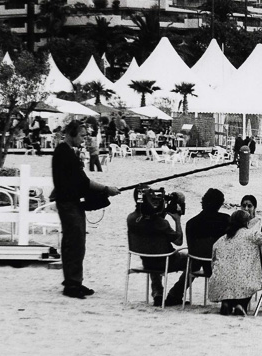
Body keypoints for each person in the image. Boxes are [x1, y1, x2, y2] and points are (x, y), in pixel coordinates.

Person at [51, 120, 121, 299]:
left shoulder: (66, 152)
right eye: (81, 136)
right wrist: (106, 189)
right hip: (68, 204)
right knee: (74, 243)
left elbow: (81, 181)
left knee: (76, 243)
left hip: (72, 202)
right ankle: (72, 285)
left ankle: (74, 282)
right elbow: (83, 182)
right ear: (71, 134)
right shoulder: (64, 153)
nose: (83, 140)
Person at [209, 210, 262, 316]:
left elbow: (213, 261)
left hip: (220, 282)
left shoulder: (221, 240)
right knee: (247, 281)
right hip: (242, 281)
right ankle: (241, 305)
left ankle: (226, 303)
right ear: (247, 223)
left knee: (230, 283)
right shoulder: (251, 235)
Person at [127, 188, 188, 306]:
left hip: (147, 260)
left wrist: (160, 213)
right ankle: (175, 294)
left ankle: (157, 292)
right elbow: (179, 241)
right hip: (166, 261)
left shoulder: (131, 218)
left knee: (154, 254)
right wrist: (177, 220)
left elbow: (150, 224)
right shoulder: (161, 224)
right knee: (192, 261)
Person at [185, 188, 230, 276]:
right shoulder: (226, 220)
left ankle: (177, 290)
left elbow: (191, 249)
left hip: (197, 262)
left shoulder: (191, 223)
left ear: (203, 203)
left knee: (192, 261)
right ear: (220, 205)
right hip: (220, 267)